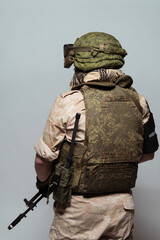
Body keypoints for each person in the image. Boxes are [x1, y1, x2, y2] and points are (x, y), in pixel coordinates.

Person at [34, 32, 159, 240]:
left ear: (79, 63)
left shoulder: (69, 101)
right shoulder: (139, 101)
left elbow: (42, 160)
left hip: (77, 212)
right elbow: (148, 153)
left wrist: (45, 183)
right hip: (122, 210)